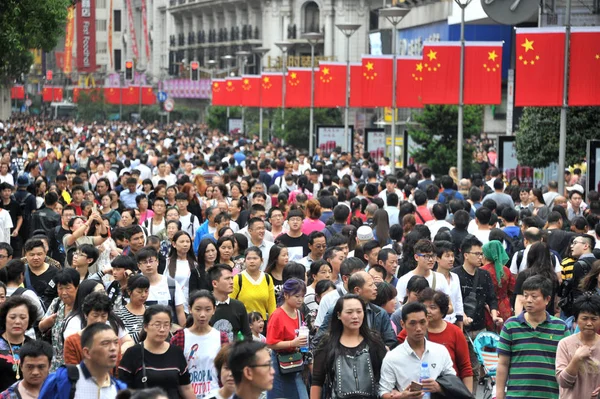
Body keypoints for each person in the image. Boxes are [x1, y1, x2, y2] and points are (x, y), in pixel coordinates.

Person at [496, 275, 570, 399]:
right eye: (525, 296)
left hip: (550, 395)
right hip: (517, 395)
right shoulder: (511, 325)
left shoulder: (560, 328)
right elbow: (503, 364)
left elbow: (567, 365)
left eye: (534, 296)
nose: (528, 300)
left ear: (547, 299)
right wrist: (499, 394)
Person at [311, 295, 387, 399]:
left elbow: (386, 375)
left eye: (359, 311)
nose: (355, 316)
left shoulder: (374, 341)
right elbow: (317, 380)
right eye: (349, 312)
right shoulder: (327, 343)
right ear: (339, 315)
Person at [396, 289, 473, 392]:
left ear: (443, 311)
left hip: (447, 391)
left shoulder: (455, 332)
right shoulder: (411, 331)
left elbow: (465, 368)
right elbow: (396, 353)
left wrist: (467, 394)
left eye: (433, 307)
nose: (428, 311)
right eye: (424, 307)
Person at [378, 302, 456, 399]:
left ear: (427, 321)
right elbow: (384, 392)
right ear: (403, 324)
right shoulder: (392, 357)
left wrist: (439, 387)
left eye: (422, 322)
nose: (418, 328)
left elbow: (453, 383)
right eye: (412, 323)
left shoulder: (440, 351)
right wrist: (402, 396)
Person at [119, 305, 195, 398]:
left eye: (166, 325)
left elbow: (186, 388)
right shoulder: (133, 353)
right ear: (145, 326)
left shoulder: (176, 352)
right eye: (157, 325)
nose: (162, 329)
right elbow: (124, 390)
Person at [39, 323, 127, 399]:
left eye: (116, 342)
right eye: (105, 343)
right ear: (87, 352)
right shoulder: (63, 379)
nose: (113, 348)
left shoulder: (119, 389)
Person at [171, 290, 229, 399]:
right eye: (198, 309)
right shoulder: (179, 338)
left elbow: (227, 369)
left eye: (208, 310)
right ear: (189, 309)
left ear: (214, 310)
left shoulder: (221, 338)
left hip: (215, 394)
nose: (202, 315)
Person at [266, 278, 308, 399]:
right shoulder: (277, 315)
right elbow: (271, 343)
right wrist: (292, 343)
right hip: (279, 362)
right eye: (296, 296)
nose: (300, 299)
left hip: (296, 361)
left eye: (302, 296)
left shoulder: (299, 314)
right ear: (286, 295)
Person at [63, 291, 129, 366]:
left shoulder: (113, 342)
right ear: (85, 315)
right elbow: (72, 372)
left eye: (103, 316)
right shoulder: (72, 341)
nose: (99, 320)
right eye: (95, 315)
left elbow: (117, 371)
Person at [556, 294, 600, 399]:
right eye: (584, 318)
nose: (589, 323)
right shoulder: (565, 344)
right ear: (576, 320)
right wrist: (576, 359)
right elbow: (563, 382)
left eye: (594, 319)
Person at [38, 268, 81, 372]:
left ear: (77, 287)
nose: (63, 292)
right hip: (54, 365)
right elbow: (41, 326)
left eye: (68, 288)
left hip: (75, 364)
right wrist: (46, 323)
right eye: (60, 288)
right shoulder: (56, 303)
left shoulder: (84, 307)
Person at [137, 246, 186, 327]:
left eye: (151, 261)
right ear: (139, 266)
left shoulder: (171, 284)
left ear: (157, 262)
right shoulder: (135, 285)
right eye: (145, 262)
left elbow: (180, 311)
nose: (148, 265)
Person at [0, 296, 38, 391]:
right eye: (12, 317)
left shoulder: (35, 347)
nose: (17, 321)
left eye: (23, 317)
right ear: (4, 318)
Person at [230, 248, 276, 326]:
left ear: (262, 260)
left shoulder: (267, 278)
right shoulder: (238, 278)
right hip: (244, 323)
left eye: (255, 258)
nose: (252, 261)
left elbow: (272, 305)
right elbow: (231, 302)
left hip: (262, 323)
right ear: (244, 261)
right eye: (248, 258)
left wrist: (273, 323)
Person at [208, 264, 252, 341]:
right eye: (227, 279)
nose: (232, 282)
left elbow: (247, 335)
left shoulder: (238, 306)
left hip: (233, 351)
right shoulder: (205, 306)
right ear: (214, 283)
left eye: (232, 278)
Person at [481, 240, 515, 331]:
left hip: (488, 309)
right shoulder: (506, 270)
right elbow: (512, 289)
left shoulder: (481, 271)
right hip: (505, 306)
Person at [114, 274, 150, 343]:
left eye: (146, 291)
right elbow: (122, 340)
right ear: (129, 291)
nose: (143, 295)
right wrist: (144, 331)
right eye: (139, 292)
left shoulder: (152, 312)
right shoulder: (119, 315)